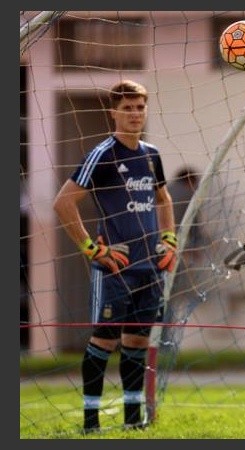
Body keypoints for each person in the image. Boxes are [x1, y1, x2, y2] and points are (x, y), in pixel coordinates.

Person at [53, 79, 177, 433]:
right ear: (114, 113)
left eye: (140, 107)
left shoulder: (151, 154)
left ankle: (132, 420)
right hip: (115, 267)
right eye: (127, 108)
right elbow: (63, 203)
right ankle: (90, 422)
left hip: (150, 266)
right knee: (105, 341)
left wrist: (169, 240)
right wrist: (92, 248)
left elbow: (164, 200)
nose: (135, 114)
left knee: (137, 341)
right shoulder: (102, 154)